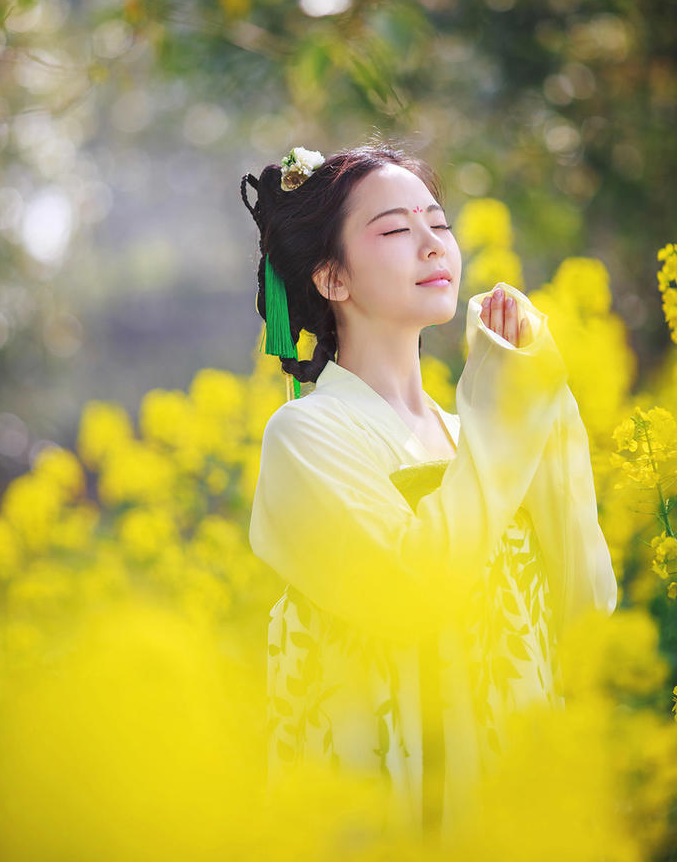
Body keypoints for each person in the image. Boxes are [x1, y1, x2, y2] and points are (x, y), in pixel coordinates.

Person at [240, 143, 618, 850]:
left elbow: (585, 608)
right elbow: (413, 593)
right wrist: (505, 417)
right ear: (331, 277)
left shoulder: (472, 429)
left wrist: (544, 401)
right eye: (392, 229)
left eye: (438, 224)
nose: (431, 244)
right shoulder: (305, 434)